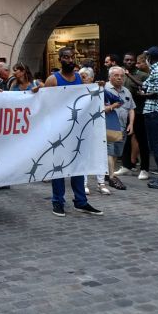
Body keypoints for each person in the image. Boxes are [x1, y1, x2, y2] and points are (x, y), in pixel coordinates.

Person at [40, 47, 103, 216]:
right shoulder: (53, 80)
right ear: (59, 59)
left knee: (78, 165)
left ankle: (81, 202)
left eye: (71, 57)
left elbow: (83, 99)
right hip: (58, 131)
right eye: (66, 57)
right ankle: (57, 201)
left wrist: (98, 89)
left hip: (76, 130)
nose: (69, 60)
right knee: (58, 168)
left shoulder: (78, 79)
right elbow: (44, 105)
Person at [140, 47, 158, 189]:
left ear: (149, 58)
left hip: (155, 111)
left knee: (157, 146)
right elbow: (147, 86)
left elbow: (156, 93)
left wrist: (143, 95)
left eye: (146, 56)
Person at [78, 67, 110, 195]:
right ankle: (84, 183)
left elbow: (116, 99)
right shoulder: (76, 90)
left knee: (99, 153)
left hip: (96, 126)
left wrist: (107, 107)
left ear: (91, 78)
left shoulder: (98, 89)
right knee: (83, 154)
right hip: (82, 126)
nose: (82, 79)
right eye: (81, 76)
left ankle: (101, 183)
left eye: (85, 76)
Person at [121, 52, 151, 180]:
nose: (129, 62)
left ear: (135, 62)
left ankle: (145, 169)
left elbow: (146, 90)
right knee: (125, 140)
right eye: (126, 60)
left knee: (142, 140)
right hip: (124, 111)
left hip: (139, 111)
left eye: (131, 60)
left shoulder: (143, 75)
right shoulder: (121, 75)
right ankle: (126, 165)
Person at [104, 67, 134, 190]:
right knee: (109, 150)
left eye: (122, 75)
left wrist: (131, 123)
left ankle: (107, 172)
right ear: (110, 76)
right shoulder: (103, 89)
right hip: (108, 125)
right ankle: (111, 177)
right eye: (116, 75)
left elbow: (131, 109)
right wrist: (112, 106)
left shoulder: (126, 91)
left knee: (117, 151)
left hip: (122, 126)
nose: (119, 78)